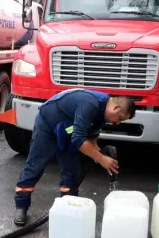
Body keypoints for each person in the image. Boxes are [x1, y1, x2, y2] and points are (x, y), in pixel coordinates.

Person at [13, 89, 136, 226]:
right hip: (48, 125)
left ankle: (68, 206)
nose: (118, 123)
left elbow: (92, 135)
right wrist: (101, 159)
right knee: (36, 165)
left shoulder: (103, 114)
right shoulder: (90, 104)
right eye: (120, 118)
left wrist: (97, 151)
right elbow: (78, 139)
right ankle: (21, 205)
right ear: (116, 107)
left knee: (70, 170)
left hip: (68, 131)